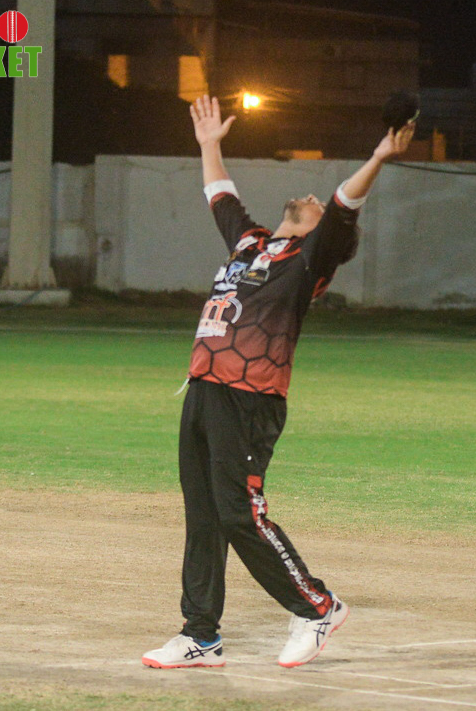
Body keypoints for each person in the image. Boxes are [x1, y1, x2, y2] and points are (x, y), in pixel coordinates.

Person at [142, 95, 415, 669]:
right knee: (204, 517)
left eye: (318, 206)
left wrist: (378, 157)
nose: (312, 198)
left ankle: (318, 607)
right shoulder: (252, 242)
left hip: (251, 397)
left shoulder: (310, 258)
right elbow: (220, 195)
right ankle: (200, 635)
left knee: (241, 513)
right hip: (204, 390)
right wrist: (209, 145)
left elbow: (345, 203)